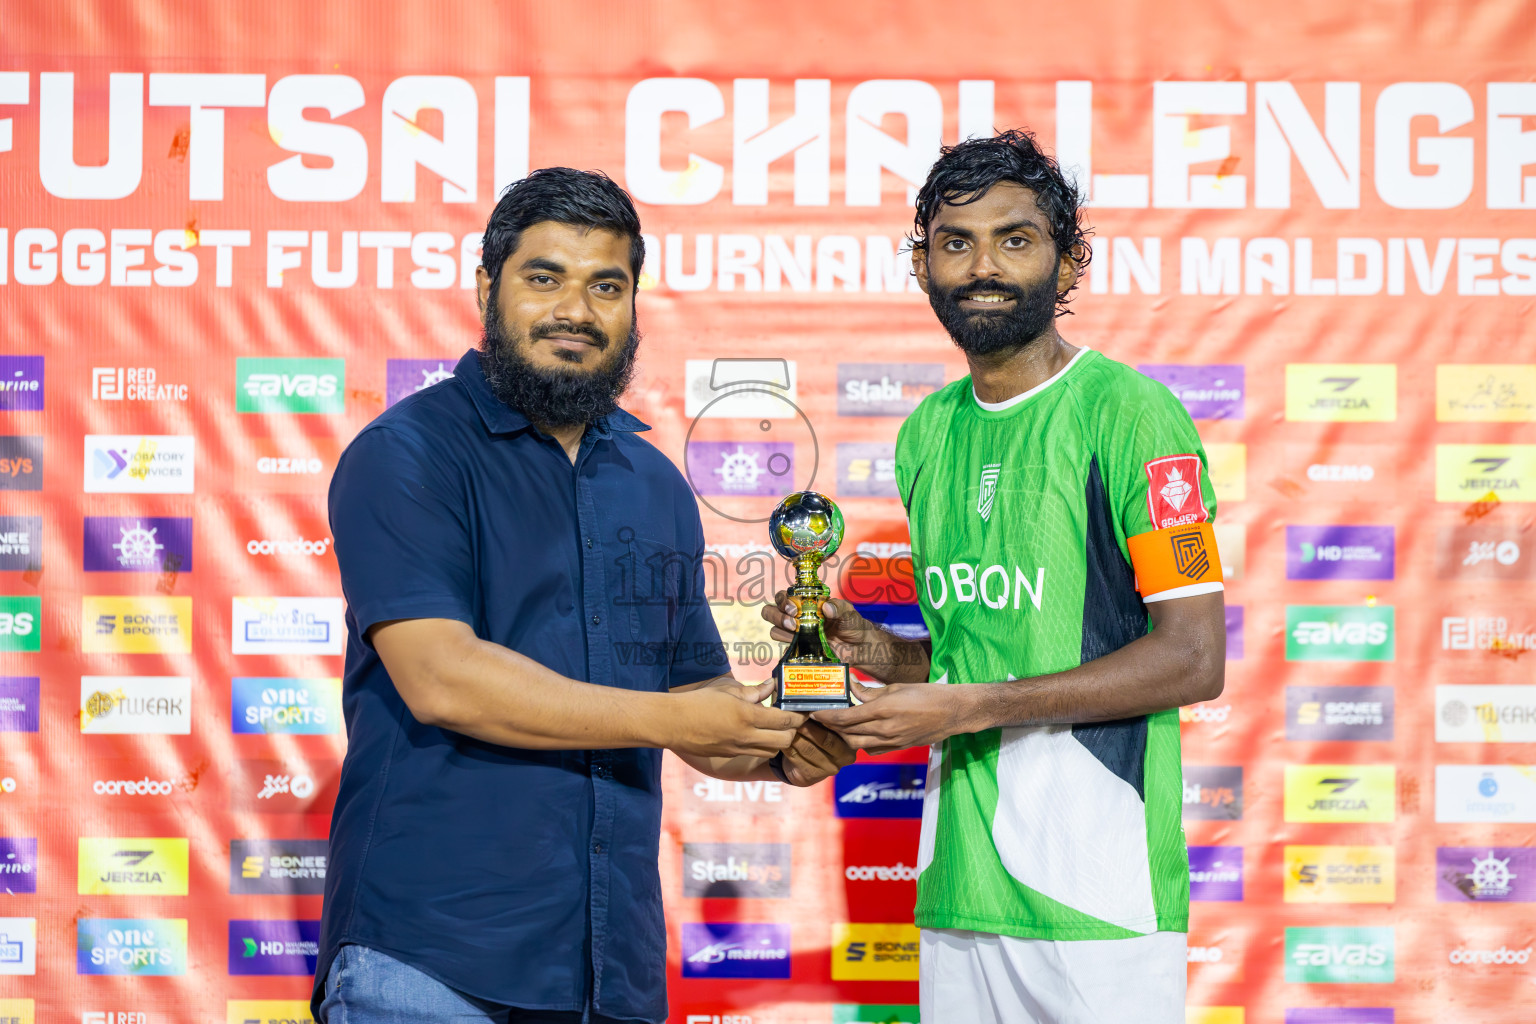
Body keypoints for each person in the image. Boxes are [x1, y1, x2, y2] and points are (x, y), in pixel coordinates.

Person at [316, 167, 853, 1024]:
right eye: (545, 278)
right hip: (433, 960)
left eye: (607, 286)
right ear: (488, 287)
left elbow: (692, 694)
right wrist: (680, 722)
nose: (577, 310)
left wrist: (772, 741)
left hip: (612, 968)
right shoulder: (406, 453)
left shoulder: (654, 479)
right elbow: (442, 678)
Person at [763, 129, 1227, 1024]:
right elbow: (985, 654)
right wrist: (881, 652)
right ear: (922, 264)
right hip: (958, 884)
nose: (983, 266)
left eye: (1015, 239)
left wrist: (971, 707)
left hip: (1098, 897)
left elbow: (1193, 658)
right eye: (955, 242)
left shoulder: (1134, 416)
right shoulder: (928, 431)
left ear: (1069, 262)